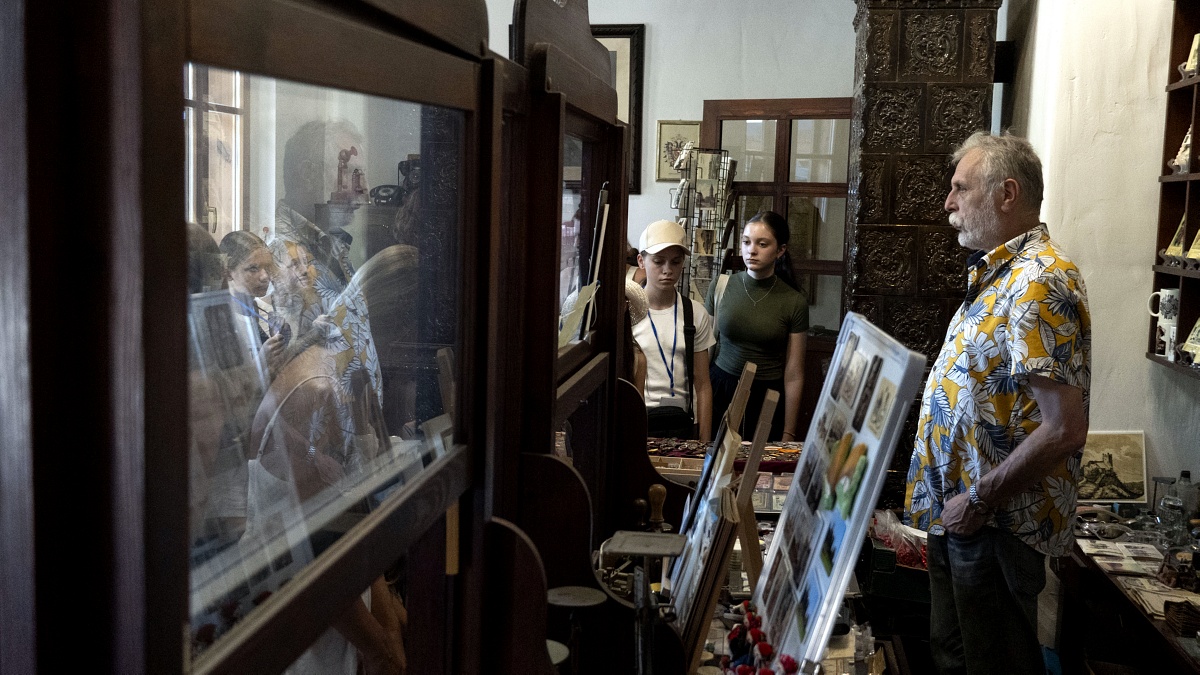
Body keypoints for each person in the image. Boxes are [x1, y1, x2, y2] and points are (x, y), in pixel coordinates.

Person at [903, 132, 1091, 675]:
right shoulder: (1001, 274)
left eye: (960, 188)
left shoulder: (1040, 280)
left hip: (994, 524)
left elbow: (1064, 428)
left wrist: (980, 500)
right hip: (965, 519)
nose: (948, 202)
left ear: (1007, 193)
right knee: (957, 659)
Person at [704, 211, 808, 441]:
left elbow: (794, 373)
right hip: (721, 388)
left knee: (759, 461)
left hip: (765, 396)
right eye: (746, 242)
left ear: (780, 250)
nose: (751, 250)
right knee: (716, 460)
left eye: (762, 244)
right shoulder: (721, 286)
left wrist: (789, 431)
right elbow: (705, 351)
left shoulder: (793, 301)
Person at [631, 220, 715, 441]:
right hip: (638, 423)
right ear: (641, 261)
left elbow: (703, 384)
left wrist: (704, 443)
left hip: (683, 425)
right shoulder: (627, 313)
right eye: (658, 261)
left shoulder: (694, 313)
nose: (667, 270)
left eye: (676, 262)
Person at [220, 230, 285, 375]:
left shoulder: (265, 310)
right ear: (228, 272)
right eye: (253, 269)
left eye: (267, 267)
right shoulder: (220, 320)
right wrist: (262, 360)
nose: (265, 276)